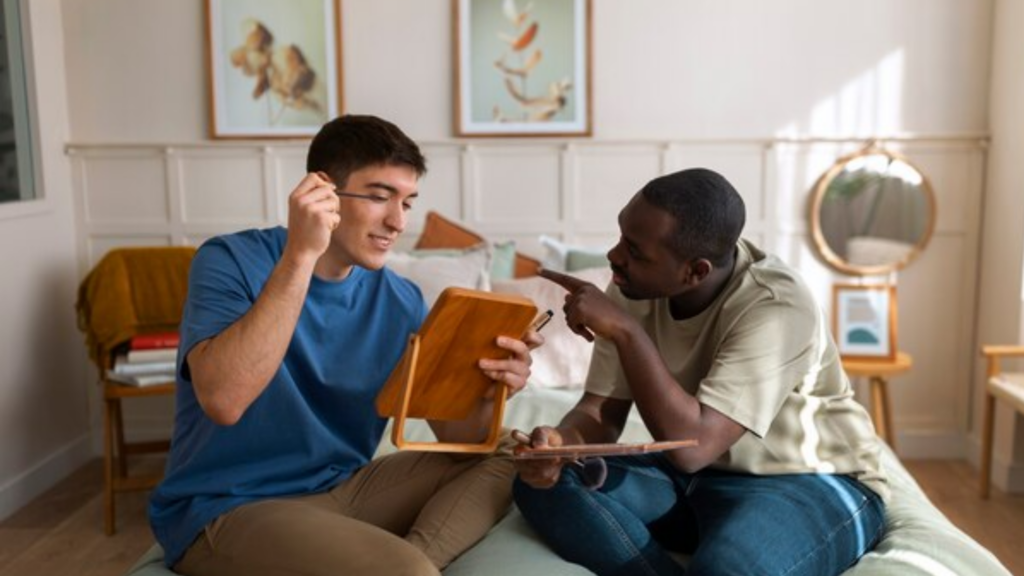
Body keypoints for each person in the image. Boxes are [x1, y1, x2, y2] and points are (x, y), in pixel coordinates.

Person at [150, 115, 540, 576]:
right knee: (404, 571)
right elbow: (224, 401)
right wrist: (300, 255)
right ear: (321, 193)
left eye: (408, 202)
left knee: (510, 454)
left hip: (347, 490)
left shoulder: (401, 299)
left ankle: (422, 562)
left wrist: (495, 388)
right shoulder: (229, 260)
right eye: (379, 197)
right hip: (230, 504)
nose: (397, 222)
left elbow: (460, 439)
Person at [513, 168, 888, 576]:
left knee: (726, 569)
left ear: (696, 271)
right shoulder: (631, 285)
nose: (615, 257)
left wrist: (626, 331)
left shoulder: (776, 306)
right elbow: (600, 413)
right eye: (622, 236)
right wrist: (558, 445)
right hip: (695, 482)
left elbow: (691, 449)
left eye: (635, 252)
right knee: (546, 485)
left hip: (810, 480)